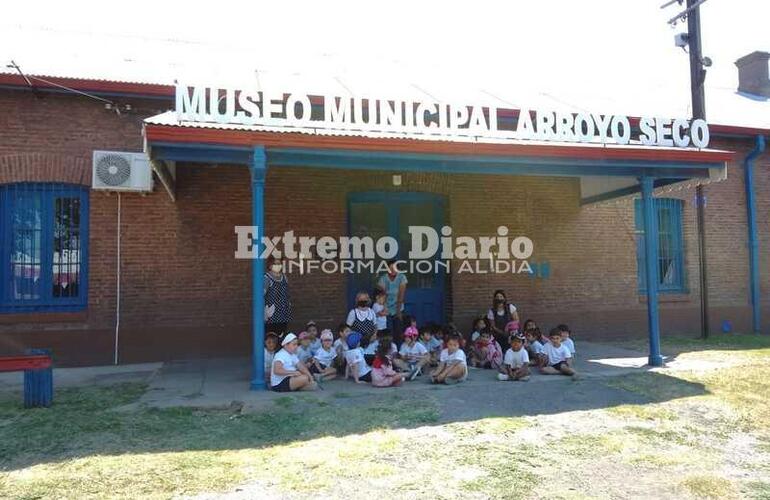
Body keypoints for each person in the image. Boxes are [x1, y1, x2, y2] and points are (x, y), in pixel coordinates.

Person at [376, 259, 408, 344]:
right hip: (386, 308)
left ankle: (397, 350)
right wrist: (385, 308)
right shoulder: (383, 278)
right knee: (387, 332)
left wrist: (398, 312)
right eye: (390, 268)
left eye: (394, 268)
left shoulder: (402, 277)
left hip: (398, 308)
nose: (392, 270)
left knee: (398, 332)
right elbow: (382, 295)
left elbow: (401, 295)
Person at [264, 256, 292, 336]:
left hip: (283, 313)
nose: (278, 265)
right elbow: (261, 295)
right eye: (275, 264)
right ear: (270, 265)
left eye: (279, 263)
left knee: (282, 335)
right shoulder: (266, 278)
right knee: (271, 335)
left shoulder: (284, 277)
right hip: (271, 314)